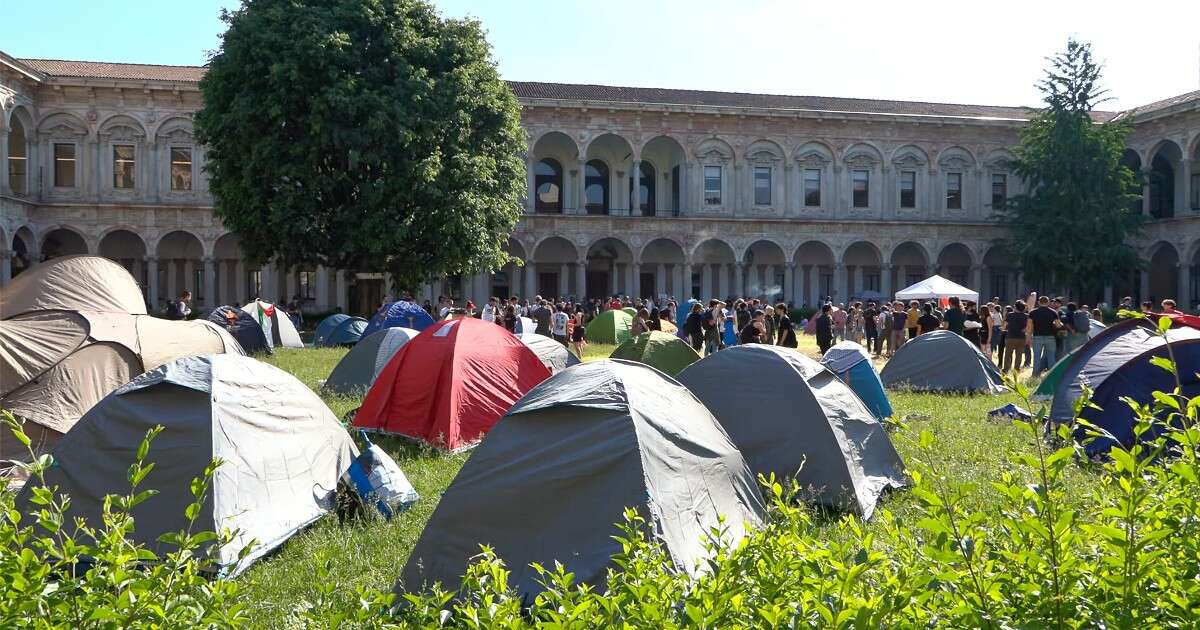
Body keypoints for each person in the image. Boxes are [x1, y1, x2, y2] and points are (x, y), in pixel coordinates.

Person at [1029, 295, 1061, 377]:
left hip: (1037, 337)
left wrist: (1028, 337)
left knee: (1036, 357)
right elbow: (1058, 325)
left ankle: (1035, 375)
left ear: (1039, 302)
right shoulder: (1053, 312)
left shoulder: (1032, 312)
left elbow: (1030, 326)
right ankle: (1052, 375)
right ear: (1048, 302)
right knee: (1051, 357)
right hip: (1050, 337)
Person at [1003, 301, 1029, 373]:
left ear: (1015, 307)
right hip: (1021, 337)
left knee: (1008, 354)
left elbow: (1004, 325)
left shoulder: (1010, 315)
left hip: (1011, 336)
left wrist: (1003, 329)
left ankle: (1006, 369)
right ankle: (1016, 370)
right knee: (1019, 355)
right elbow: (1028, 326)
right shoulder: (1026, 316)